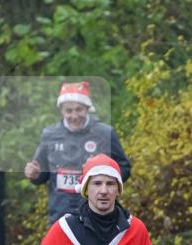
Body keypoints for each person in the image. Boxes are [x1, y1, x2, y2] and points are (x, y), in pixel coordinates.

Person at [24, 81, 131, 223]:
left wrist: (103, 176)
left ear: (87, 108)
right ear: (61, 111)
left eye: (79, 109)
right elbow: (42, 175)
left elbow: (124, 168)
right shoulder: (50, 134)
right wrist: (34, 175)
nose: (74, 116)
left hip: (97, 215)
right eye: (69, 111)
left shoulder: (105, 133)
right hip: (60, 214)